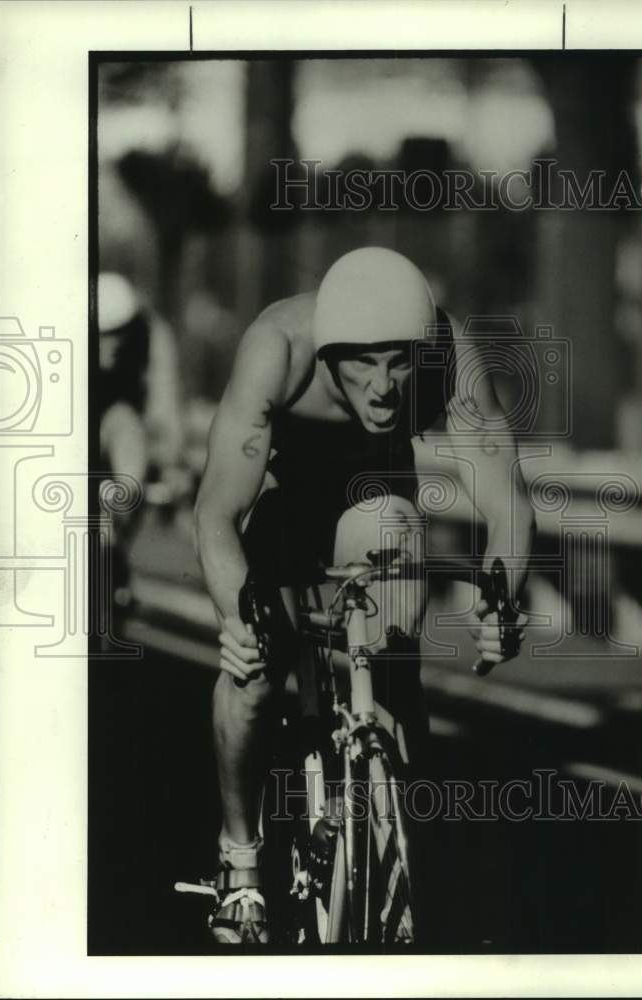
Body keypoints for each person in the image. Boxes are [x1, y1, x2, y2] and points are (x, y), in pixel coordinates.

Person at [193, 247, 535, 944]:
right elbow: (216, 514)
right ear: (324, 353)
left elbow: (506, 505)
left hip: (377, 502)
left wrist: (500, 599)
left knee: (392, 649)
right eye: (361, 362)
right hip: (287, 501)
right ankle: (239, 860)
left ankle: (396, 825)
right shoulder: (276, 350)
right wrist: (237, 618)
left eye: (399, 362)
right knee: (255, 670)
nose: (383, 388)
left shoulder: (449, 355)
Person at [98, 272, 184, 609]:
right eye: (101, 336)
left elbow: (165, 406)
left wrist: (170, 463)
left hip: (125, 430)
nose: (112, 345)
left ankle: (113, 548)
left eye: (119, 334)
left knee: (125, 423)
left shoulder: (153, 334)